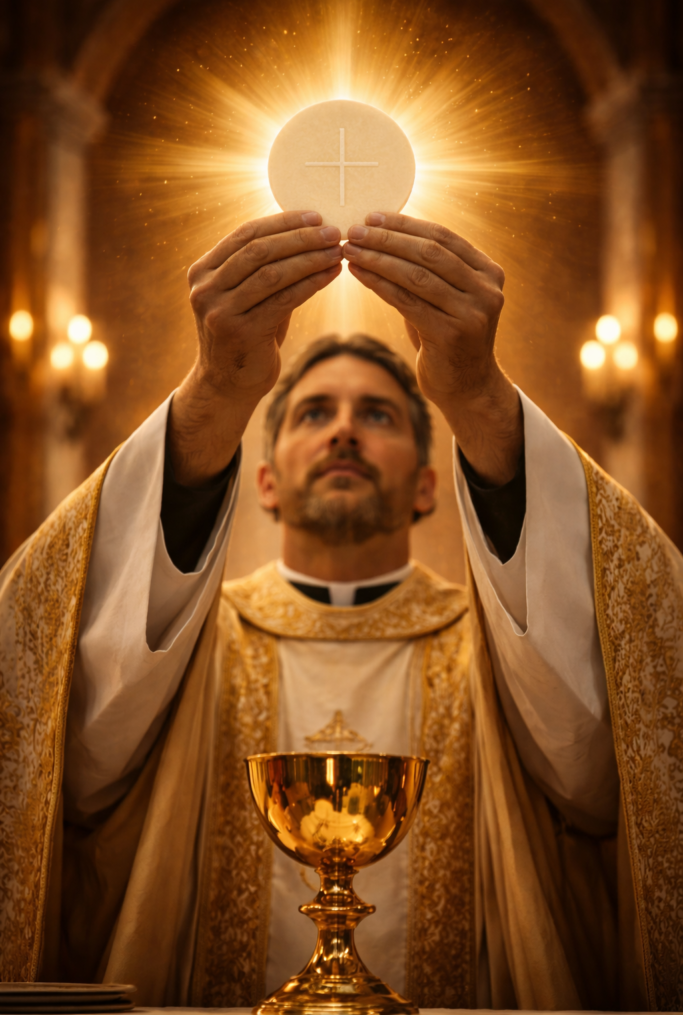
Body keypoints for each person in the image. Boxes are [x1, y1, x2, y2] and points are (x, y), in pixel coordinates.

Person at [1, 211, 681, 1011]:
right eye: (315, 413)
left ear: (430, 485)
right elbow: (60, 748)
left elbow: (607, 769)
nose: (346, 431)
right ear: (263, 481)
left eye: (381, 414)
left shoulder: (510, 646)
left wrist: (475, 394)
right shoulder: (175, 644)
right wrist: (217, 389)